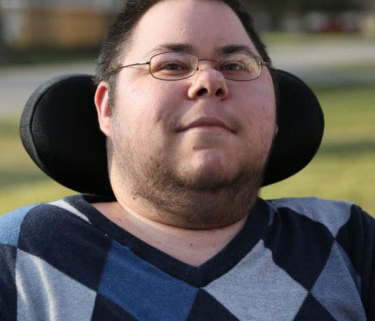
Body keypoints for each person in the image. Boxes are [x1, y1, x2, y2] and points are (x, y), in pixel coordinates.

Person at [0, 0, 374, 320]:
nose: (209, 81)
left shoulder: (347, 240)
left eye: (237, 66)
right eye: (172, 65)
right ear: (107, 108)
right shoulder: (18, 254)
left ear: (276, 114)